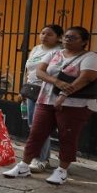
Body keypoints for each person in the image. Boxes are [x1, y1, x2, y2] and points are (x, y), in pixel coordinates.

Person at [4, 26, 97, 185]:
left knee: (67, 136)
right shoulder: (54, 53)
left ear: (84, 41)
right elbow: (40, 72)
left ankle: (62, 170)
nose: (68, 40)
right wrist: (57, 82)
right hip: (46, 99)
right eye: (67, 37)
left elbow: (86, 78)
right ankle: (24, 165)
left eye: (73, 38)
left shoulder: (90, 57)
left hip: (75, 104)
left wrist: (64, 94)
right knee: (36, 133)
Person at [20, 24, 65, 172]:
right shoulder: (36, 49)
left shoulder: (59, 52)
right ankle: (38, 156)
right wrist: (24, 89)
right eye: (43, 32)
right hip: (32, 91)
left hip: (48, 92)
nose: (44, 36)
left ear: (58, 37)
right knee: (33, 125)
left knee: (40, 126)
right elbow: (28, 70)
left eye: (49, 34)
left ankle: (41, 159)